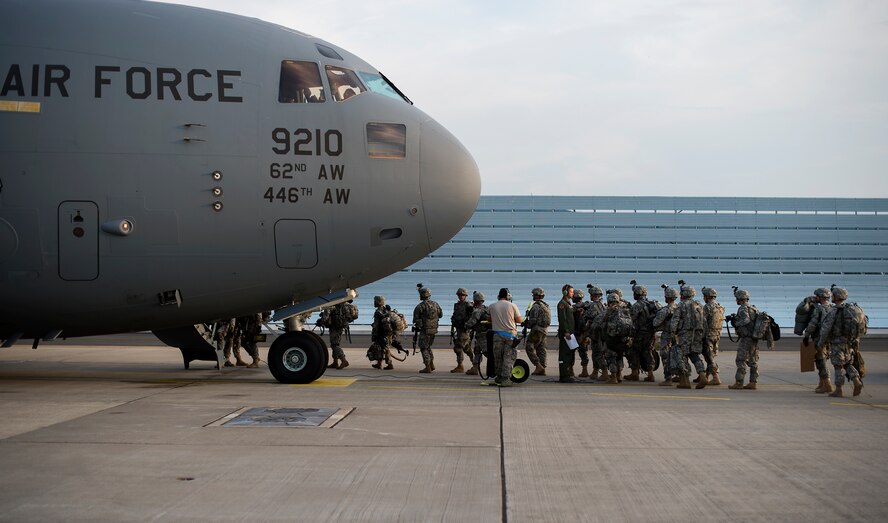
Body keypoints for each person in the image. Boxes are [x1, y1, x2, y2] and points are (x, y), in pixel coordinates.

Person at [817, 287, 864, 398]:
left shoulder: (834, 311)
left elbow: (825, 329)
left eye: (833, 295)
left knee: (838, 366)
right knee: (847, 363)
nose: (831, 297)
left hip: (837, 343)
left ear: (836, 297)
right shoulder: (850, 310)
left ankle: (838, 390)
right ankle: (857, 381)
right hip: (849, 343)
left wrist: (821, 343)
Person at [669, 284, 707, 389]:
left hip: (685, 334)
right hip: (697, 334)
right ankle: (702, 375)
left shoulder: (681, 305)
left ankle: (684, 381)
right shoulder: (699, 305)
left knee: (682, 356)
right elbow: (704, 321)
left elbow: (675, 320)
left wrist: (673, 333)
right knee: (695, 355)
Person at [488, 288, 523, 386]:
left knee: (498, 357)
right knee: (508, 357)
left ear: (498, 296)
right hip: (510, 336)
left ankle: (499, 377)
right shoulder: (512, 305)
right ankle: (506, 379)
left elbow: (489, 318)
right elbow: (519, 320)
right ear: (508, 296)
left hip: (497, 335)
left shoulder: (492, 306)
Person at [727, 288, 759, 390]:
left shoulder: (743, 308)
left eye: (737, 298)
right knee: (753, 360)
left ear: (740, 298)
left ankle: (739, 382)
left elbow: (746, 320)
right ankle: (753, 382)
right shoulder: (753, 308)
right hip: (753, 338)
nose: (736, 300)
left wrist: (736, 323)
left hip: (746, 338)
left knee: (741, 360)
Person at [804, 287, 833, 393]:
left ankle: (827, 384)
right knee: (821, 359)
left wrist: (807, 335)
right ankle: (822, 383)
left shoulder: (819, 309)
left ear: (820, 297)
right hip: (829, 338)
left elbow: (813, 324)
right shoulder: (833, 308)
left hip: (819, 337)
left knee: (821, 360)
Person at [628, 281, 658, 382]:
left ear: (637, 294)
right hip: (650, 333)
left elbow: (631, 319)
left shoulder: (637, 305)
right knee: (648, 351)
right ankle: (650, 374)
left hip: (640, 333)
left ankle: (634, 373)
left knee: (634, 351)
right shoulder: (651, 304)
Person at [413, 286, 443, 373]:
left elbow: (416, 320)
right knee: (428, 346)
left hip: (425, 330)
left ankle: (427, 366)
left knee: (423, 347)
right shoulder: (436, 304)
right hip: (433, 330)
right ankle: (431, 364)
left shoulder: (420, 307)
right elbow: (440, 315)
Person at [654, 285, 679, 386]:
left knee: (665, 355)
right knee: (678, 355)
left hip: (667, 335)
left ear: (667, 297)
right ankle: (679, 375)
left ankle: (668, 378)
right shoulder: (679, 308)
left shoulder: (665, 310)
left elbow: (655, 323)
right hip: (678, 335)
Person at [583, 286, 608, 381]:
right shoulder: (603, 305)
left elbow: (588, 317)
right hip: (602, 333)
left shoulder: (593, 306)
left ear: (593, 295)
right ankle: (595, 372)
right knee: (598, 352)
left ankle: (604, 372)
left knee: (597, 353)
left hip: (596, 333)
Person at [524, 288, 551, 376]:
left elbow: (532, 321)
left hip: (537, 330)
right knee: (541, 349)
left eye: (533, 294)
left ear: (536, 295)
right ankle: (542, 367)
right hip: (545, 330)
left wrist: (526, 324)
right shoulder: (546, 305)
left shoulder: (535, 306)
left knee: (529, 347)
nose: (532, 296)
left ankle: (538, 366)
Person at [326, 300, 358, 370]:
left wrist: (322, 322)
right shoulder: (347, 305)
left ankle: (343, 360)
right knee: (335, 344)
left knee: (335, 345)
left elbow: (326, 317)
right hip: (342, 325)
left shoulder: (334, 305)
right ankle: (335, 362)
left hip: (335, 326)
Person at [701, 287, 724, 385]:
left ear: (707, 296)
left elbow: (703, 321)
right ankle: (705, 376)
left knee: (709, 356)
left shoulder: (707, 307)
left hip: (708, 334)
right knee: (710, 354)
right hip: (717, 334)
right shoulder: (720, 306)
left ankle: (716, 377)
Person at [464, 291, 490, 375]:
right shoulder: (487, 308)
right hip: (486, 333)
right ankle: (475, 368)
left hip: (482, 335)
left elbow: (471, 323)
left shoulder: (477, 311)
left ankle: (498, 366)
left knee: (487, 352)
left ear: (475, 300)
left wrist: (465, 325)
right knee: (477, 351)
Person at [450, 288, 475, 373]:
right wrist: (453, 320)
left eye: (463, 295)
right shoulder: (457, 305)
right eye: (459, 295)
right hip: (459, 329)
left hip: (465, 330)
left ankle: (460, 366)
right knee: (466, 348)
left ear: (465, 296)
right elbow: (455, 315)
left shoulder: (469, 305)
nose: (461, 296)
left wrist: (466, 324)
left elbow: (473, 317)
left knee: (458, 347)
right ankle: (475, 362)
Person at [556, 284, 576, 383]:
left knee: (569, 354)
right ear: (565, 292)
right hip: (566, 334)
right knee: (564, 355)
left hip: (570, 334)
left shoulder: (568, 303)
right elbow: (562, 320)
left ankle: (567, 374)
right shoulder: (562, 304)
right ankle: (564, 376)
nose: (573, 293)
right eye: (571, 291)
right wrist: (566, 331)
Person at [368, 296, 394, 370]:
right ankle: (379, 364)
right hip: (386, 333)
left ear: (378, 302)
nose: (374, 302)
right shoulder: (385, 310)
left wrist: (375, 333)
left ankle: (389, 364)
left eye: (375, 301)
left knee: (385, 348)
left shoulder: (378, 311)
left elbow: (377, 324)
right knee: (379, 348)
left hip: (380, 333)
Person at [571, 289, 591, 378]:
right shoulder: (587, 306)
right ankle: (585, 370)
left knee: (571, 352)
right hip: (584, 333)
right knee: (583, 352)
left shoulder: (574, 307)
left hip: (575, 333)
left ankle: (570, 370)